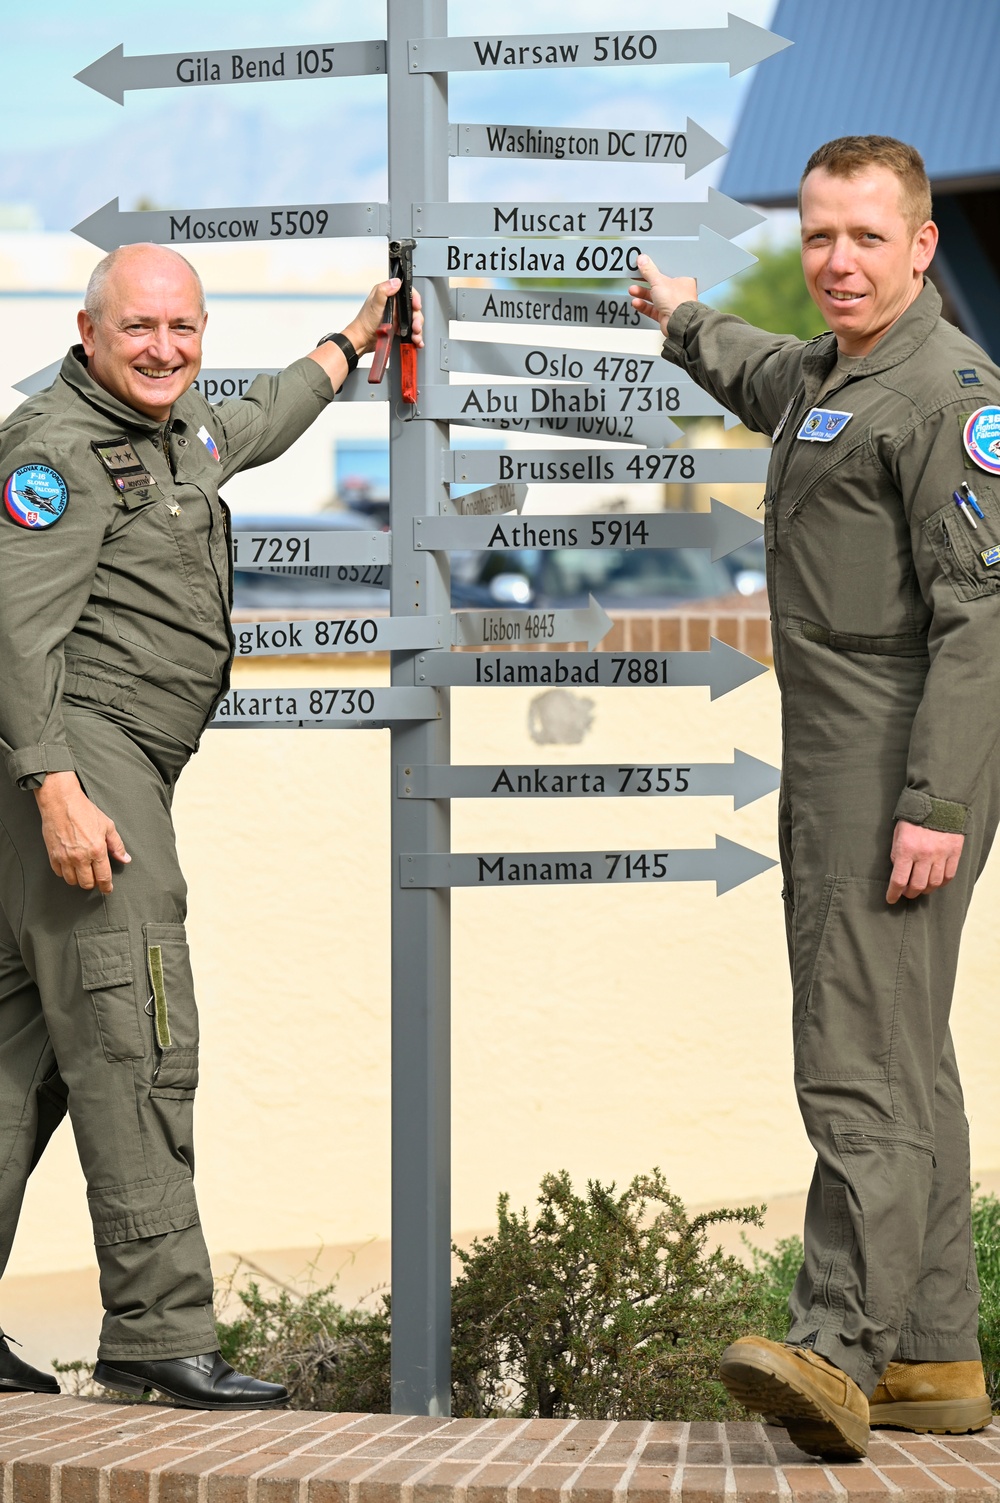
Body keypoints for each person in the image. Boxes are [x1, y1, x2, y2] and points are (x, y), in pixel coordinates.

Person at [0, 242, 420, 1408]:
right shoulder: (56, 453)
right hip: (84, 768)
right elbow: (13, 633)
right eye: (139, 329)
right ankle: (157, 1332)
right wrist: (55, 785)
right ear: (88, 333)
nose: (164, 349)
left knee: (16, 1067)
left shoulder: (175, 432)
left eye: (184, 329)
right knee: (139, 1034)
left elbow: (258, 418)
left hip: (97, 770)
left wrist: (349, 343)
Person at [631, 135, 1000, 1460]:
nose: (837, 260)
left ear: (921, 246)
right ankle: (934, 1356)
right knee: (907, 1054)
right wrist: (678, 317)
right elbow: (769, 375)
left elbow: (984, 615)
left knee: (853, 1049)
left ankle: (839, 1344)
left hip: (900, 763)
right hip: (841, 753)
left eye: (864, 237)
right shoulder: (843, 373)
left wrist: (938, 804)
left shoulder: (950, 392)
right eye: (819, 236)